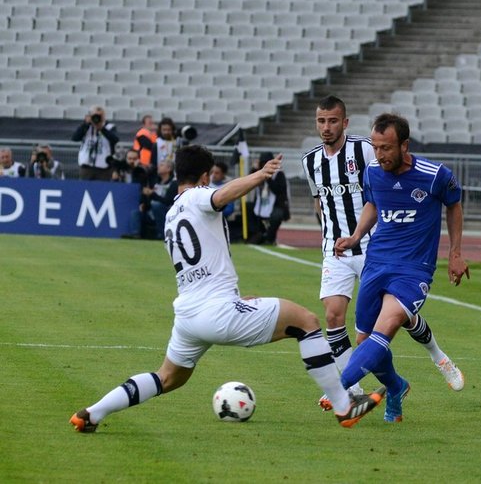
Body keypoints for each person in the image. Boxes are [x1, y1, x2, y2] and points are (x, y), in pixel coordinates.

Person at [69, 145, 385, 433]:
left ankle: (92, 413)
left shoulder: (169, 215)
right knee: (307, 321)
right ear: (206, 176)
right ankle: (344, 407)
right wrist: (260, 175)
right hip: (216, 312)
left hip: (189, 316)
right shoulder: (197, 197)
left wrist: (233, 299)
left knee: (168, 378)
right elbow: (219, 197)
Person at [334, 113, 468, 423]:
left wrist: (456, 253)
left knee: (389, 324)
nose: (380, 155)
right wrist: (355, 236)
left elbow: (454, 205)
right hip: (377, 262)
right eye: (376, 147)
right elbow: (373, 204)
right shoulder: (372, 172)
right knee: (365, 342)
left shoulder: (434, 175)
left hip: (414, 269)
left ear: (404, 145)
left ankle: (340, 387)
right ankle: (396, 387)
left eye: (387, 148)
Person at [300, 95, 376, 406]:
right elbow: (319, 201)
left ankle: (433, 356)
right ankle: (352, 388)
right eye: (321, 121)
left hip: (373, 246)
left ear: (345, 122)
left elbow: (380, 190)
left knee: (375, 327)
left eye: (333, 121)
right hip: (335, 250)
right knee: (332, 316)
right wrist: (330, 234)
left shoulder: (364, 150)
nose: (326, 127)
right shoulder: (310, 162)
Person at [252, 151, 290, 245]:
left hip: (277, 205)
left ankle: (269, 238)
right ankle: (257, 235)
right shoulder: (258, 173)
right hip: (261, 203)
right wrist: (255, 169)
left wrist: (268, 178)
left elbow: (278, 190)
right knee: (248, 209)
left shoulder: (279, 174)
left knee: (276, 215)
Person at [72, 106, 119, 181]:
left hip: (104, 167)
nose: (97, 118)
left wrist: (101, 128)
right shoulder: (86, 127)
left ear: (104, 116)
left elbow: (115, 139)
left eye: (100, 116)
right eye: (95, 115)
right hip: (86, 166)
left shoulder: (110, 127)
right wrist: (85, 124)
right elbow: (75, 138)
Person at [143, 159, 178, 240]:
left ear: (169, 169)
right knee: (136, 212)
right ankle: (136, 234)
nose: (159, 167)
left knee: (156, 205)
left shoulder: (173, 183)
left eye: (162, 165)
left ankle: (162, 233)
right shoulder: (156, 182)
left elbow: (168, 201)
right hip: (153, 210)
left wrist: (152, 194)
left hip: (167, 211)